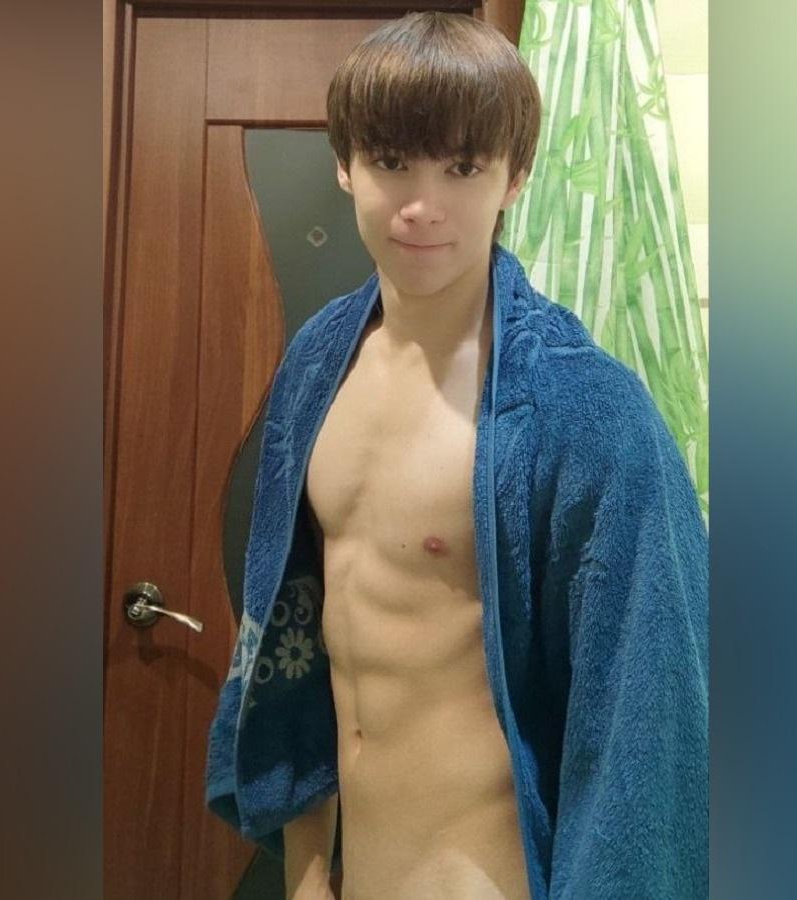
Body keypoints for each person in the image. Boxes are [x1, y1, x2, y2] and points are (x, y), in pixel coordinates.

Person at [206, 12, 708, 900]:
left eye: (464, 168)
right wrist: (309, 873)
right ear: (345, 164)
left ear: (515, 175)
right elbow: (300, 630)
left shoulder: (588, 411)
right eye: (392, 161)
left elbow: (649, 719)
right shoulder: (318, 367)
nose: (421, 205)